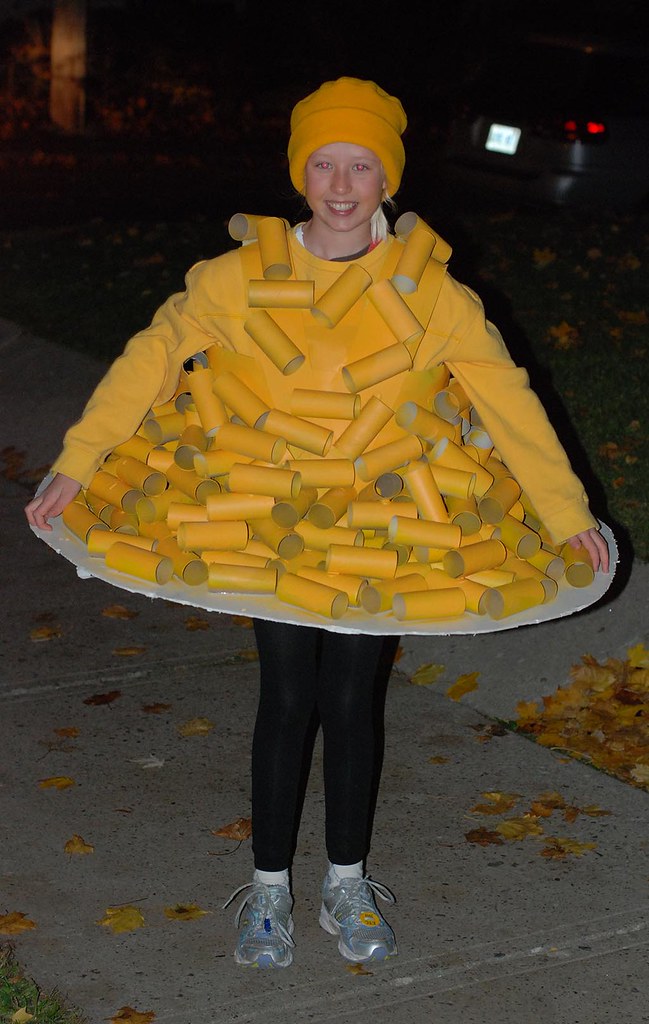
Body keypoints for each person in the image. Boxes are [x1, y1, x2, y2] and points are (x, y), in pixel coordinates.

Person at [25, 77, 609, 970]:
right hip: (269, 518)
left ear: (388, 178)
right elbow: (151, 359)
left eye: (361, 166)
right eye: (324, 164)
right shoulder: (236, 277)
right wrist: (77, 460)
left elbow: (508, 399)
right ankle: (266, 890)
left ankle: (345, 879)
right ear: (302, 173)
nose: (341, 184)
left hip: (387, 523)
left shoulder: (435, 294)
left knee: (351, 699)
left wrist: (565, 513)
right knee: (286, 695)